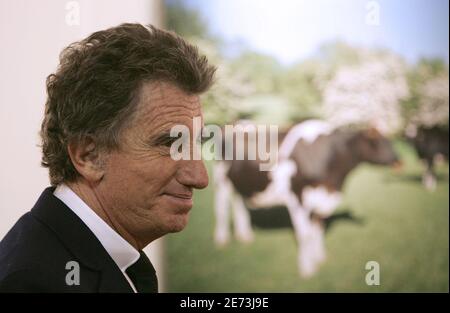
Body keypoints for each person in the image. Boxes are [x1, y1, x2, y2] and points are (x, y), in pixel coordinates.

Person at [0, 23, 216, 292]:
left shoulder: (106, 263)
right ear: (88, 156)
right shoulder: (33, 283)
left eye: (196, 144)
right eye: (170, 144)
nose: (200, 177)